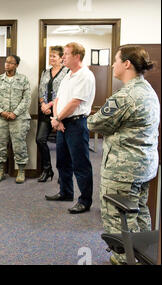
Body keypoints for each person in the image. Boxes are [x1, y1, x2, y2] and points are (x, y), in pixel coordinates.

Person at [87, 45, 159, 265]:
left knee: (118, 218)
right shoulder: (146, 89)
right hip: (144, 166)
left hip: (123, 170)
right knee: (139, 213)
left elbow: (95, 122)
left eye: (116, 60)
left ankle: (123, 259)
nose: (112, 65)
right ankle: (143, 255)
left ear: (126, 64)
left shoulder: (127, 95)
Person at [44, 42, 95, 214]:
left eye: (66, 54)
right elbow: (57, 99)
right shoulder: (68, 75)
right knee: (62, 162)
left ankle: (85, 201)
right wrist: (57, 120)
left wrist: (58, 118)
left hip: (76, 123)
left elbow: (75, 103)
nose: (63, 57)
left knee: (80, 164)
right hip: (63, 123)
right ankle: (66, 192)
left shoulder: (85, 75)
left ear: (77, 56)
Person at [0, 55, 31, 183]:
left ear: (16, 65)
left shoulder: (23, 80)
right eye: (6, 62)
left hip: (18, 119)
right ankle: (0, 171)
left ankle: (21, 171)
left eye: (11, 63)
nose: (7, 65)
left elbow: (27, 99)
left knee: (19, 146)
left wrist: (15, 113)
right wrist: (1, 112)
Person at [36, 46, 69, 182]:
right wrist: (43, 104)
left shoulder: (67, 72)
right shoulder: (45, 72)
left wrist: (50, 105)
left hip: (61, 112)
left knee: (63, 146)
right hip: (45, 112)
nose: (51, 58)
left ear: (62, 58)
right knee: (40, 139)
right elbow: (41, 90)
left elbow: (65, 93)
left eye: (54, 56)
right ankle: (47, 169)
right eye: (50, 56)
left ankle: (63, 175)